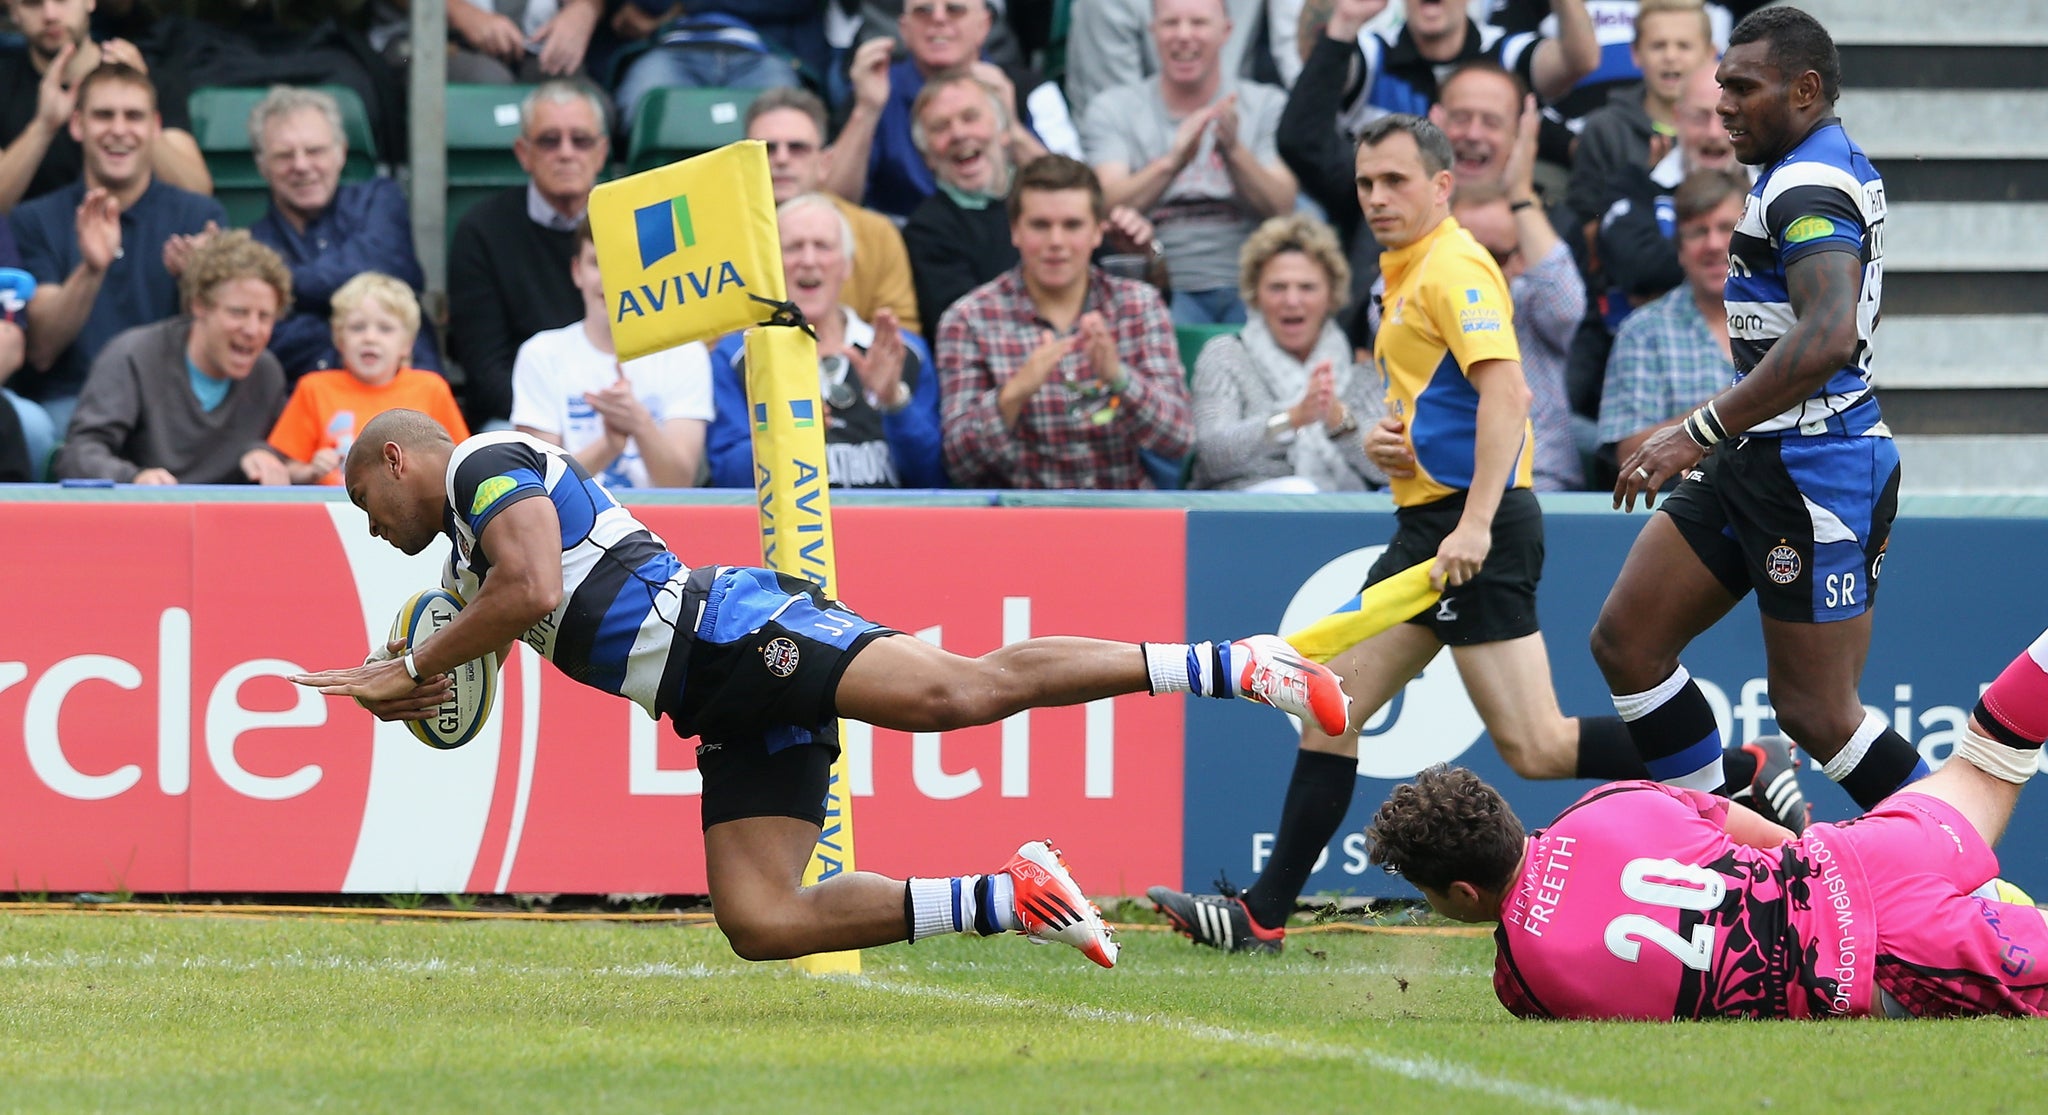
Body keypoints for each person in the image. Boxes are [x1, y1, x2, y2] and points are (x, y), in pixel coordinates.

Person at [286, 407, 1355, 967]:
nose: (377, 535)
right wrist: (415, 691)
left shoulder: (483, 461)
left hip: (732, 629)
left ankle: (1235, 662)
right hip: (710, 697)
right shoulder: (465, 558)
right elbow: (488, 638)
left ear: (392, 461)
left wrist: (416, 662)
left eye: (365, 509)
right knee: (757, 918)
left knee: (961, 692)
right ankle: (1010, 895)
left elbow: (527, 587)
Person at [1147, 115, 1651, 956]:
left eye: (1396, 182)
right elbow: (1446, 400)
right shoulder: (1402, 272)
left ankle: (1734, 767)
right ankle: (1263, 914)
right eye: (1366, 184)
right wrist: (1392, 439)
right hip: (1433, 521)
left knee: (1538, 744)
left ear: (1443, 185)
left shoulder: (1453, 267)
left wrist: (1477, 523)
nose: (1377, 197)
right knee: (1329, 704)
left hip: (1470, 529)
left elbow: (1510, 399)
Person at [1365, 620, 2048, 1019]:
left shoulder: (1522, 976)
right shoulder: (1609, 803)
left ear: (1460, 893)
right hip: (1869, 853)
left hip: (1877, 959)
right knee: (1991, 750)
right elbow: (1771, 835)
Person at [1596, 9, 1914, 819]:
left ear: (1805, 90)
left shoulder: (1809, 182)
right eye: (1720, 86)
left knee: (1817, 711)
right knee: (1628, 642)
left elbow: (1827, 335)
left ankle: (1970, 882)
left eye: (1743, 87)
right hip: (1760, 453)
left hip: (1816, 467)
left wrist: (1694, 432)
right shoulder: (1803, 164)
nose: (1723, 105)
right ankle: (1724, 848)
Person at [936, 155, 1192, 490]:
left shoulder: (1139, 305)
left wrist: (1119, 378)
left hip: (1123, 515)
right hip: (1020, 521)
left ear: (1097, 232)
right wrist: (1015, 393)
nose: (1056, 241)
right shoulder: (968, 319)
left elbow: (1179, 439)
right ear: (1015, 231)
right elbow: (958, 462)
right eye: (1040, 225)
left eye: (1072, 225)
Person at [9, 62, 228, 435]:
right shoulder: (34, 218)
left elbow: (231, 348)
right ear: (77, 125)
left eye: (134, 116)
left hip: (174, 407)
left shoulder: (200, 215)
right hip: (73, 403)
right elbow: (41, 350)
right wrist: (91, 270)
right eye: (103, 115)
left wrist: (197, 284)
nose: (119, 130)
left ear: (155, 127)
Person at [902, 70, 1163, 339]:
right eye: (940, 127)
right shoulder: (927, 230)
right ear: (927, 156)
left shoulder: (1052, 201)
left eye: (970, 118)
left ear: (1005, 132)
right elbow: (963, 331)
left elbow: (1141, 306)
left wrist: (1142, 258)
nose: (958, 133)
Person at [1082, 0, 1297, 325]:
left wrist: (1233, 150)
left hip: (1251, 279)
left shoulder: (1266, 104)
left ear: (1226, 31)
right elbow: (1104, 205)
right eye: (1170, 23)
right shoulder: (1113, 108)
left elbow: (1283, 205)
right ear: (1153, 31)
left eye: (1198, 23)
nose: (1184, 35)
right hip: (1159, 275)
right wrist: (1173, 162)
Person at [708, 193, 943, 490]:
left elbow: (934, 479)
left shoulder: (903, 352)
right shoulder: (738, 356)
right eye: (793, 247)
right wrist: (783, 438)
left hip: (888, 530)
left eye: (822, 246)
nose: (808, 261)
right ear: (770, 264)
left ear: (846, 265)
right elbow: (726, 479)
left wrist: (895, 403)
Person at [53, 230, 290, 485]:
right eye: (238, 312)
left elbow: (288, 454)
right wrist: (133, 479)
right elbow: (79, 454)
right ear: (199, 305)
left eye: (265, 317)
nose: (253, 330)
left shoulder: (267, 372)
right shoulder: (134, 354)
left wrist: (265, 454)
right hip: (144, 514)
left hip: (228, 518)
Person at [246, 85, 440, 382]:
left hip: (406, 401)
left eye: (315, 151)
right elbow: (269, 340)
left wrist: (278, 282)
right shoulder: (254, 244)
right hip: (310, 412)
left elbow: (388, 268)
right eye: (284, 155)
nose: (301, 165)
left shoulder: (379, 200)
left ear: (341, 152)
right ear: (262, 165)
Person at [448, 79, 607, 434]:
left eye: (580, 140)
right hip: (521, 415)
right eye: (550, 140)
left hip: (623, 410)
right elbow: (486, 370)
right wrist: (556, 419)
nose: (566, 152)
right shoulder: (481, 230)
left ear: (601, 152)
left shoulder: (631, 222)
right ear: (524, 153)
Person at [824, 0, 1080, 220]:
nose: (938, 20)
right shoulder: (875, 87)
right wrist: (866, 110)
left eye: (955, 9)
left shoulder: (1030, 89)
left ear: (985, 24)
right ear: (904, 29)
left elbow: (1078, 197)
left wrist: (1010, 126)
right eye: (923, 11)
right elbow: (831, 206)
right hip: (904, 251)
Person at [510, 216, 710, 490]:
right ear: (577, 271)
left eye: (628, 265)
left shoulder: (686, 354)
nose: (613, 281)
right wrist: (609, 444)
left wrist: (639, 422)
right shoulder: (540, 354)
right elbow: (540, 487)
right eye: (598, 264)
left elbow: (679, 481)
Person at [1188, 213, 1381, 492]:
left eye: (1307, 287)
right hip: (1240, 510)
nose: (1292, 301)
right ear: (1255, 294)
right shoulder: (1225, 354)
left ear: (1332, 295)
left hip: (1341, 510)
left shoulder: (1358, 367)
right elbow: (1212, 456)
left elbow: (1387, 470)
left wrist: (1340, 423)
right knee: (1298, 490)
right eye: (1277, 288)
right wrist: (1291, 419)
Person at [1449, 106, 1584, 492]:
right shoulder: (1427, 300)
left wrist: (1520, 194)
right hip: (1443, 485)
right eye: (1469, 256)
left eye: (1496, 256)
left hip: (1535, 481)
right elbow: (1384, 308)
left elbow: (1567, 304)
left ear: (1520, 259)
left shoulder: (1532, 301)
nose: (1481, 269)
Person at [0, 0, 211, 211]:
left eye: (62, 0)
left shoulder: (148, 80)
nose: (50, 14)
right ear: (13, 11)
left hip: (142, 238)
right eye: (32, 3)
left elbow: (197, 193)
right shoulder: (5, 85)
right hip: (35, 239)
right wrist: (43, 127)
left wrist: (139, 105)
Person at [747, 87, 921, 336]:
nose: (782, 159)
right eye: (766, 149)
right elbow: (706, 341)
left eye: (797, 148)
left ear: (824, 163)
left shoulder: (876, 234)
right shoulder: (719, 236)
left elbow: (900, 331)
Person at [1596, 168, 1743, 462]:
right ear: (1679, 249)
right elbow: (1627, 455)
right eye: (1699, 232)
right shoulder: (1643, 331)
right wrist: (1728, 408)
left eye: (1727, 228)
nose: (1713, 244)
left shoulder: (1790, 317)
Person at [269, 271, 469, 486]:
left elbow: (460, 462)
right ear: (339, 339)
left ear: (407, 344)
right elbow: (286, 471)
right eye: (357, 327)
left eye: (385, 329)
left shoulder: (431, 388)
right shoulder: (313, 388)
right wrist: (311, 471)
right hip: (333, 511)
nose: (370, 338)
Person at [1564, 0, 1715, 236]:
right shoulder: (1604, 130)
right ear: (1635, 53)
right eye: (1658, 45)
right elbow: (1585, 227)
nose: (1670, 56)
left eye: (1684, 46)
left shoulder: (1730, 128)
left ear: (1710, 55)